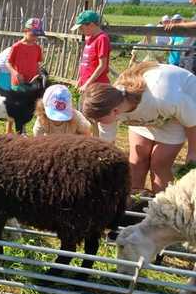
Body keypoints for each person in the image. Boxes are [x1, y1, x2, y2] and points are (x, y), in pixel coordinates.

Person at [82, 62, 196, 194]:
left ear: (115, 111)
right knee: (136, 161)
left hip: (180, 109)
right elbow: (108, 143)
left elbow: (192, 121)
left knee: (159, 164)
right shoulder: (111, 104)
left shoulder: (165, 98)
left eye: (99, 120)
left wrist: (193, 151)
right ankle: (135, 206)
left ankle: (163, 208)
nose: (98, 123)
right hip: (146, 113)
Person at [72, 10, 111, 93]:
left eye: (81, 28)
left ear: (91, 25)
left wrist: (87, 84)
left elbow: (102, 65)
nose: (80, 31)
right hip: (87, 85)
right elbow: (87, 63)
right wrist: (80, 80)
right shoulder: (90, 39)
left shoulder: (102, 39)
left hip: (97, 87)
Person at [6, 18, 44, 91]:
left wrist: (39, 74)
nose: (35, 38)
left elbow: (37, 63)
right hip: (18, 84)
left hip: (32, 83)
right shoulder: (16, 47)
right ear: (25, 31)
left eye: (37, 35)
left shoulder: (37, 48)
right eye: (33, 35)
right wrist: (15, 74)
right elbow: (8, 63)